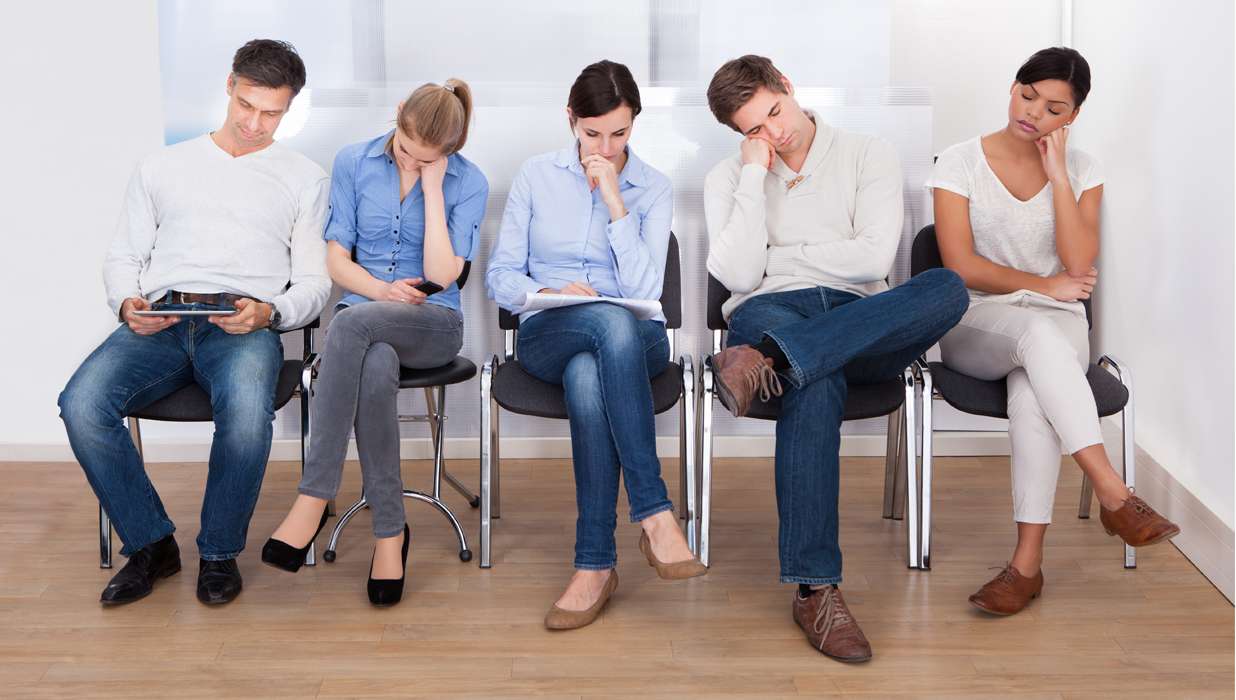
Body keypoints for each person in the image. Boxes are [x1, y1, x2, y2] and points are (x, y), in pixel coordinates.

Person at [703, 55, 968, 662]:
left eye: (775, 112)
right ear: (740, 137)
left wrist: (786, 256)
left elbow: (873, 260)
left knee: (946, 288)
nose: (775, 132)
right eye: (755, 129)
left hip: (857, 321)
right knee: (814, 382)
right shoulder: (730, 178)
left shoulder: (866, 152)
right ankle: (815, 590)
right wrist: (753, 179)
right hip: (772, 311)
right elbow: (742, 275)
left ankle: (771, 359)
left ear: (788, 88)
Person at [58, 39, 330, 606]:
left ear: (290, 108)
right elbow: (124, 256)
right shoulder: (163, 165)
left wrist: (271, 312)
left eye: (273, 113)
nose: (256, 123)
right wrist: (127, 301)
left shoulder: (304, 178)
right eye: (248, 105)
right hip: (161, 316)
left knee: (247, 416)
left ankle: (218, 552)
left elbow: (314, 283)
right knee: (81, 403)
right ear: (230, 86)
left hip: (242, 321)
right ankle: (152, 544)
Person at [927, 47, 1179, 616]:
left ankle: (1025, 567)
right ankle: (1115, 494)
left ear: (1073, 116)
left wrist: (1058, 174)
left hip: (1059, 324)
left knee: (1031, 392)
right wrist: (1043, 287)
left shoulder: (1084, 169)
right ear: (1013, 87)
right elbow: (960, 265)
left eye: (1053, 107)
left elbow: (1079, 256)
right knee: (1035, 341)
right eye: (1027, 94)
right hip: (977, 319)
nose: (1033, 112)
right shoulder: (959, 161)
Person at [486, 59, 706, 631]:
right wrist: (549, 288)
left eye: (620, 133)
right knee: (595, 336)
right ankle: (655, 514)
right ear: (570, 120)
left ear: (634, 124)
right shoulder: (536, 176)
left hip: (637, 337)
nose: (605, 148)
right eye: (592, 134)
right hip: (549, 330)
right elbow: (501, 277)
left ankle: (594, 567)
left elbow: (643, 290)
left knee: (596, 361)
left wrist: (616, 204)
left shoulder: (652, 188)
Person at [263, 79, 488, 607]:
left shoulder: (468, 182)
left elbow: (443, 275)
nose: (411, 163)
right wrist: (380, 290)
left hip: (431, 323)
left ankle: (314, 496)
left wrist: (435, 190)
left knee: (349, 326)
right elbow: (336, 261)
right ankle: (391, 534)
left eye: (427, 160)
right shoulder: (352, 162)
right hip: (364, 318)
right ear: (397, 115)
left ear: (449, 152)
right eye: (406, 150)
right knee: (371, 354)